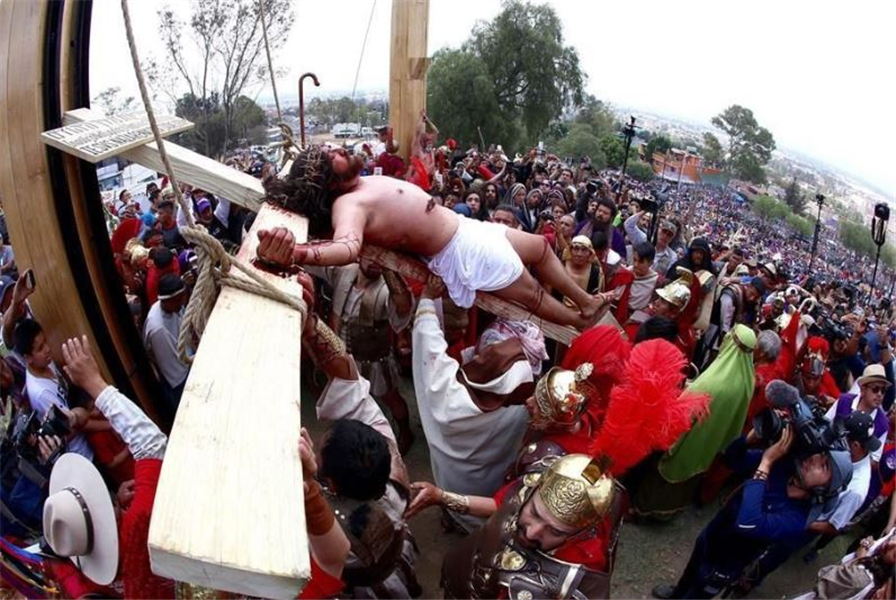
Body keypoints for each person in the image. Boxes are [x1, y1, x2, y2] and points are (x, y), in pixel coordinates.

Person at [258, 146, 608, 329]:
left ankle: (585, 301)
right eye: (329, 157)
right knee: (530, 294)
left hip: (465, 228)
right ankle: (577, 320)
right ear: (326, 181)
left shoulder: (363, 182)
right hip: (458, 249)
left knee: (541, 246)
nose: (338, 149)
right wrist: (298, 253)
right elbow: (348, 248)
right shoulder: (348, 204)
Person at [300, 281, 420, 598]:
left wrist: (306, 477)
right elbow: (346, 377)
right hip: (397, 555)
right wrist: (311, 323)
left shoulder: (338, 537)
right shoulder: (387, 459)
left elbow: (319, 533)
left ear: (334, 487)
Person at [652, 426, 852, 600]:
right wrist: (749, 440)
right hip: (713, 534)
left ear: (825, 490)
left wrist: (766, 463)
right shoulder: (784, 467)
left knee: (697, 595)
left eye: (824, 466)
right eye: (821, 455)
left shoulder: (797, 519)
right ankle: (676, 593)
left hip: (726, 563)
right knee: (689, 575)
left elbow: (748, 523)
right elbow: (732, 459)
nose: (814, 459)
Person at [410, 276, 538, 530]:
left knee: (450, 495)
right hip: (490, 484)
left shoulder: (451, 398)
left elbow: (430, 350)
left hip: (452, 478)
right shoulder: (527, 406)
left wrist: (427, 301)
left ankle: (451, 513)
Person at [632, 325, 757, 518]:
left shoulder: (713, 383)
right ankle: (670, 512)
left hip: (689, 438)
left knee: (667, 472)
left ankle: (644, 510)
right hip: (709, 444)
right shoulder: (747, 379)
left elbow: (684, 412)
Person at [311, 260, 416, 454]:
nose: (375, 262)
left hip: (375, 360)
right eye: (371, 256)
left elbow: (403, 306)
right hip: (346, 355)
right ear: (360, 255)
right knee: (345, 400)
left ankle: (406, 432)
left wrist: (389, 269)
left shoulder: (386, 290)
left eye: (380, 258)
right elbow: (315, 262)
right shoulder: (344, 271)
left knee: (391, 398)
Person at [15, 319, 94, 460]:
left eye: (45, 341)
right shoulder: (40, 394)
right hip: (82, 453)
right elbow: (71, 425)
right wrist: (106, 424)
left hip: (89, 434)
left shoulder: (45, 362)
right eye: (40, 348)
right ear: (28, 358)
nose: (47, 349)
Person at [825, 364, 891, 464]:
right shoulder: (844, 401)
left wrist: (857, 456)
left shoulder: (883, 425)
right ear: (863, 390)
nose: (879, 394)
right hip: (827, 453)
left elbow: (874, 460)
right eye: (875, 389)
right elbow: (825, 422)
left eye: (883, 390)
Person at [142, 274, 189, 411]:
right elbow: (175, 373)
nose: (182, 303)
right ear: (167, 301)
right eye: (178, 300)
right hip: (178, 381)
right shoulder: (158, 329)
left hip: (183, 357)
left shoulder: (173, 306)